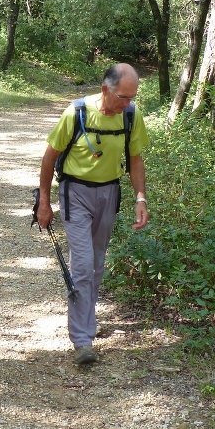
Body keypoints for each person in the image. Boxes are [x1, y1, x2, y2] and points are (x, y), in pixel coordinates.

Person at [35, 63, 151, 365]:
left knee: (97, 264)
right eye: (123, 97)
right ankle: (83, 339)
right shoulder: (77, 113)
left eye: (132, 97)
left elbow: (135, 159)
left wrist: (141, 197)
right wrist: (44, 202)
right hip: (76, 193)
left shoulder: (130, 114)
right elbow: (49, 158)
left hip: (109, 193)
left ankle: (87, 319)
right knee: (83, 264)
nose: (127, 103)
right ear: (105, 89)